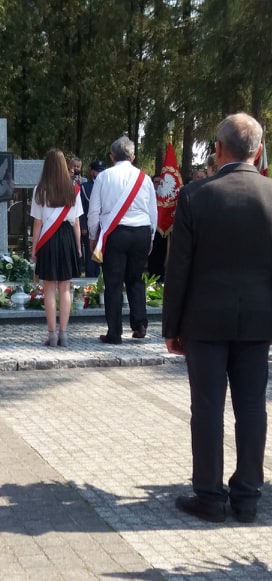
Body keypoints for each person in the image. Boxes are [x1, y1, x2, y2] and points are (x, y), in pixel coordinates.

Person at [162, 112, 272, 524]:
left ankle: (209, 496)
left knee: (207, 408)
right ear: (257, 152)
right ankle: (247, 497)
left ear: (219, 149)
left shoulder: (196, 195)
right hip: (258, 322)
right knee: (252, 407)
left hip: (204, 322)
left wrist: (171, 327)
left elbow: (178, 269)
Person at [88, 135, 157, 344]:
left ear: (111, 156)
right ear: (133, 157)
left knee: (114, 282)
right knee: (136, 279)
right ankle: (140, 324)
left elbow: (94, 211)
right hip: (141, 231)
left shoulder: (103, 177)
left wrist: (93, 237)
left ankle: (114, 332)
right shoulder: (144, 178)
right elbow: (153, 211)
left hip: (115, 233)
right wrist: (151, 236)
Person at [31, 148, 82, 347]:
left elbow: (37, 223)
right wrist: (78, 247)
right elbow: (76, 222)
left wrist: (34, 248)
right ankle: (64, 333)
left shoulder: (40, 190)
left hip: (48, 239)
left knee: (49, 289)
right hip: (67, 237)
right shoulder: (73, 189)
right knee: (65, 288)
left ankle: (52, 335)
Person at [80, 160, 105, 278]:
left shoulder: (108, 185)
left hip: (105, 226)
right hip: (90, 226)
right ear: (92, 172)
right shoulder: (85, 187)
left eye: (102, 171)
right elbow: (81, 208)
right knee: (91, 254)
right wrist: (83, 226)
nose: (100, 173)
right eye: (97, 171)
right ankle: (90, 280)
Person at [147, 174, 167, 280]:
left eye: (160, 182)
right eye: (156, 182)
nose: (158, 184)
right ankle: (152, 276)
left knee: (162, 254)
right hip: (151, 229)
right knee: (152, 255)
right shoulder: (149, 195)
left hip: (164, 229)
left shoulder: (167, 197)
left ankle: (161, 277)